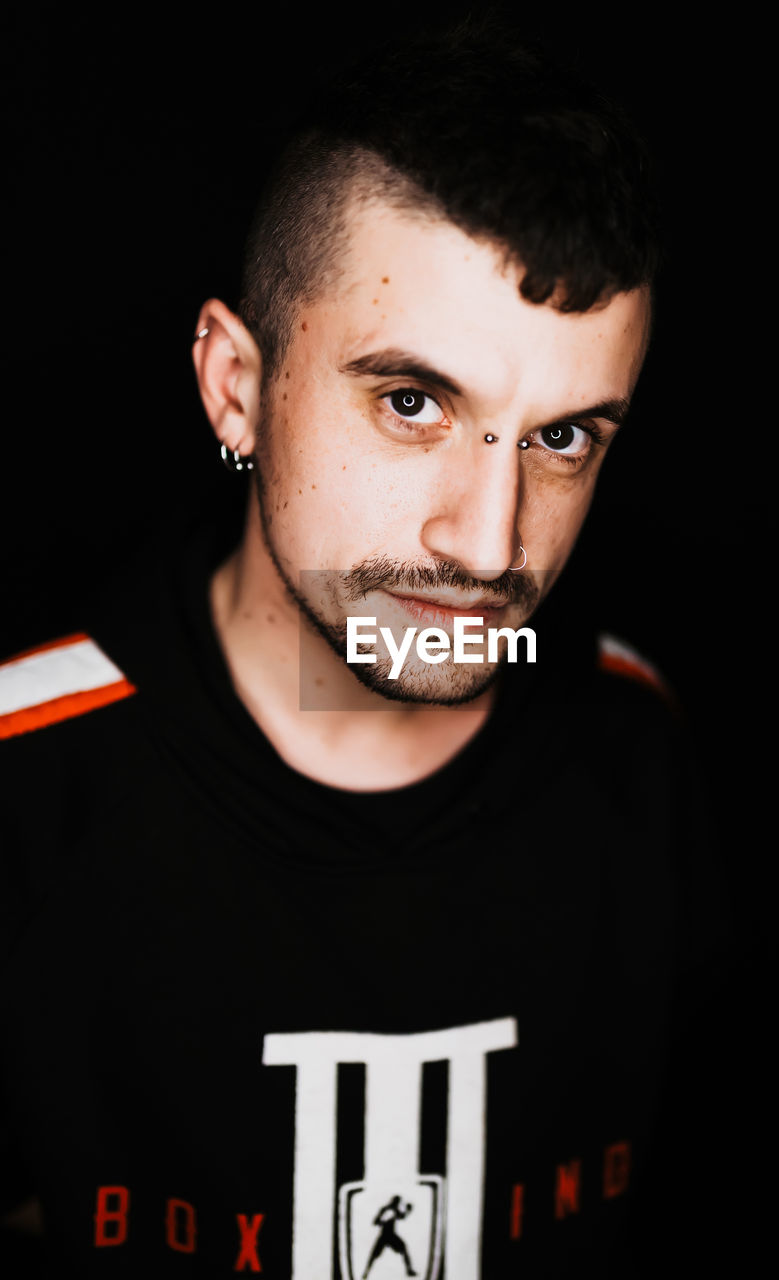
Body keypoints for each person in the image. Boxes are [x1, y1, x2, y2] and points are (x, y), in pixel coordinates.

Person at [0, 18, 725, 1279]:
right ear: (235, 385)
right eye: (412, 402)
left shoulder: (636, 744)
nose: (489, 545)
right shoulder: (25, 789)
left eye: (562, 438)